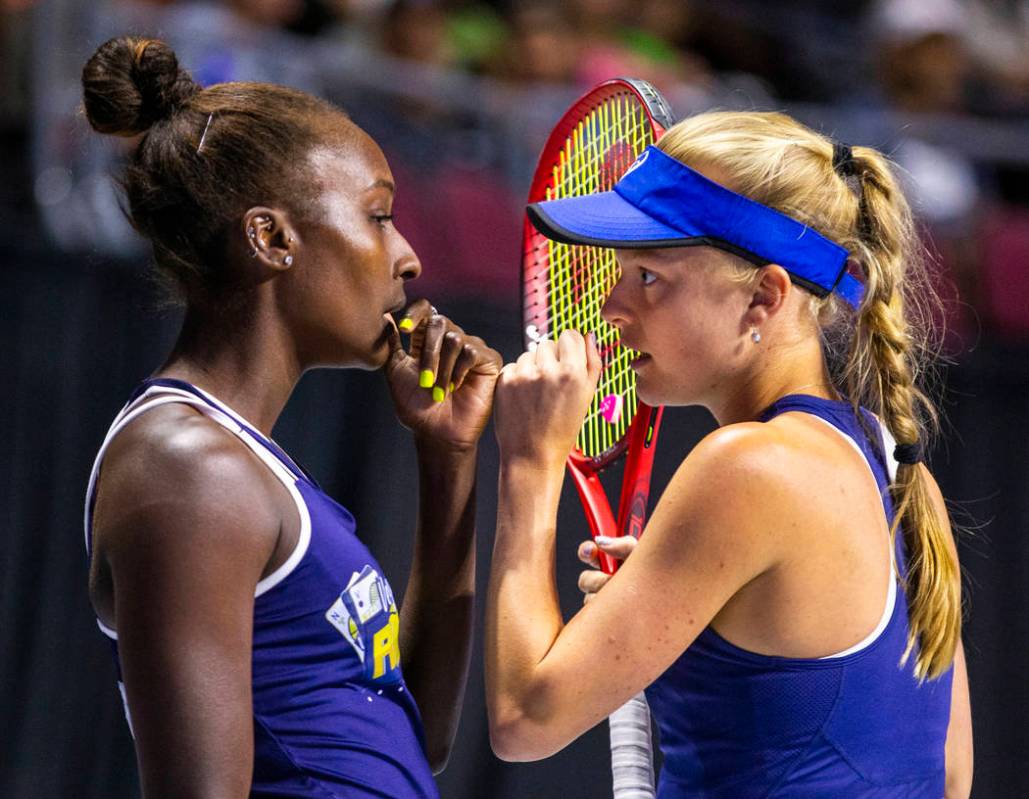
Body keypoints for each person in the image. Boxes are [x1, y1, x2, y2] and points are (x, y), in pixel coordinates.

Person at [486, 111, 973, 797]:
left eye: (649, 277)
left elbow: (523, 719)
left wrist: (528, 466)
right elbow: (948, 772)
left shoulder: (746, 466)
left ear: (762, 296)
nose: (611, 306)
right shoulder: (894, 463)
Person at [81, 36, 501, 798]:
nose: (407, 256)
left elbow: (420, 733)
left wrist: (448, 459)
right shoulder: (186, 469)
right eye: (378, 216)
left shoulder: (244, 466)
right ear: (271, 238)